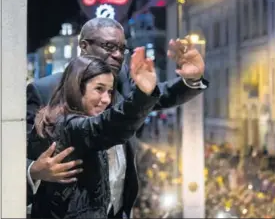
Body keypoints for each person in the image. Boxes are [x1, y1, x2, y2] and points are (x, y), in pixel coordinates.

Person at [26, 17, 208, 216]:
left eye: (122, 49)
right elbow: (16, 151)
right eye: (110, 46)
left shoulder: (122, 83)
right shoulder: (44, 90)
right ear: (84, 46)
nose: (118, 55)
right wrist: (33, 171)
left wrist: (191, 79)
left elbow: (159, 96)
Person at [27, 49, 159, 218]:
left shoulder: (69, 119)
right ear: (77, 88)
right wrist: (142, 95)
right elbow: (108, 126)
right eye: (99, 89)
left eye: (110, 92)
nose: (106, 99)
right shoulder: (67, 125)